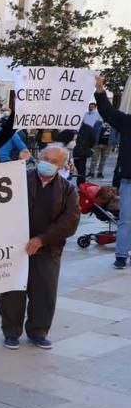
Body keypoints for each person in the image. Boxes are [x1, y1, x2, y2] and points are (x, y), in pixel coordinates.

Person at [0, 146, 80, 349]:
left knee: (44, 292)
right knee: (13, 292)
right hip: (16, 247)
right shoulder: (18, 180)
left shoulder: (67, 189)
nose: (48, 164)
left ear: (61, 166)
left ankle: (38, 332)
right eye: (46, 158)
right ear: (38, 158)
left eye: (54, 162)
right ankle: (11, 332)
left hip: (47, 249)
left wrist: (42, 239)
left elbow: (70, 221)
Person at [93, 76, 131, 268]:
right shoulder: (127, 122)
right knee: (126, 220)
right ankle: (122, 255)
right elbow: (108, 112)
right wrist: (100, 90)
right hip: (128, 180)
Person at [75, 103, 101, 186]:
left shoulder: (88, 127)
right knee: (77, 166)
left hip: (83, 149)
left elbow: (93, 138)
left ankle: (81, 182)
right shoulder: (75, 128)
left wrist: (89, 147)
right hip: (75, 150)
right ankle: (80, 180)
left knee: (82, 167)